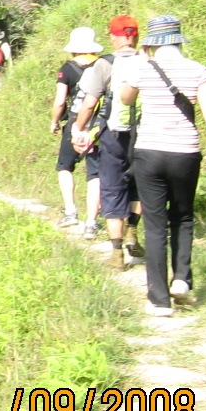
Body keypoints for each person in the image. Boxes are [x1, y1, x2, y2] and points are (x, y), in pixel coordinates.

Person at [117, 14, 206, 317]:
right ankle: (181, 279)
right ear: (180, 39)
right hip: (185, 153)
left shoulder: (141, 68)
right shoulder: (197, 70)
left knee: (155, 225)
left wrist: (140, 64)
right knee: (182, 216)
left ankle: (159, 299)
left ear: (152, 43)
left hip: (149, 153)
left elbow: (126, 99)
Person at [72, 15, 144, 269]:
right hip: (145, 134)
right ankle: (133, 231)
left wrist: (79, 128)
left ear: (114, 37)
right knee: (140, 184)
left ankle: (116, 254)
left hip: (114, 135)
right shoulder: (149, 61)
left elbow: (90, 103)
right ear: (135, 35)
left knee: (113, 188)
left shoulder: (104, 64)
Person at [51, 27, 105, 236]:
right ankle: (91, 223)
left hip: (75, 122)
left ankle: (71, 212)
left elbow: (60, 101)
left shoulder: (67, 68)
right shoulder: (104, 65)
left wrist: (55, 121)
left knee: (65, 166)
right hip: (98, 124)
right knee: (95, 173)